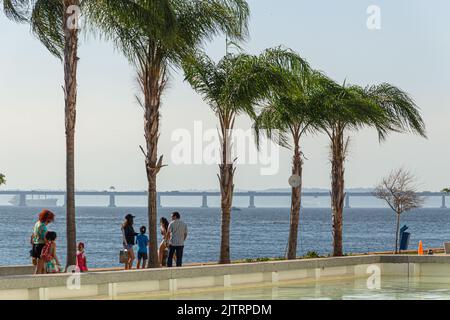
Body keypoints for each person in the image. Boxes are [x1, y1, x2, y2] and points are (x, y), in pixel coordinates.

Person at [31, 209, 55, 274]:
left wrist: (32, 245)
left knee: (42, 267)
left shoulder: (37, 223)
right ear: (46, 219)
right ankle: (35, 281)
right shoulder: (43, 226)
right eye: (49, 221)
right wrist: (50, 243)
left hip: (35, 245)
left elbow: (32, 235)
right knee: (39, 268)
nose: (48, 223)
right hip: (41, 246)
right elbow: (44, 238)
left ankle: (41, 281)